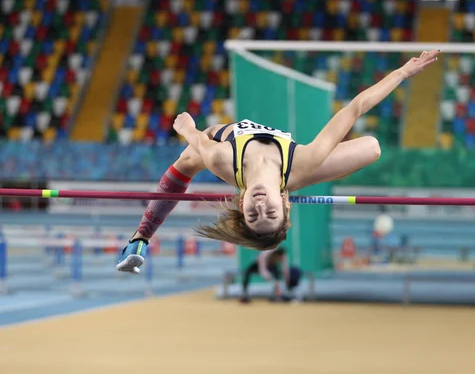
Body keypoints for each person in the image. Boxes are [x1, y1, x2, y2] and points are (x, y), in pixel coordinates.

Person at [117, 50, 441, 274]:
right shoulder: (304, 160)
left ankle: (139, 238)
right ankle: (295, 183)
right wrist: (403, 72)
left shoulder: (220, 160)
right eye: (269, 212)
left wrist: (187, 128)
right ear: (285, 203)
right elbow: (354, 109)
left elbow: (197, 137)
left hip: (216, 138)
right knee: (371, 147)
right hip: (292, 172)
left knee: (186, 163)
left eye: (253, 214)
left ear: (241, 201)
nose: (260, 207)